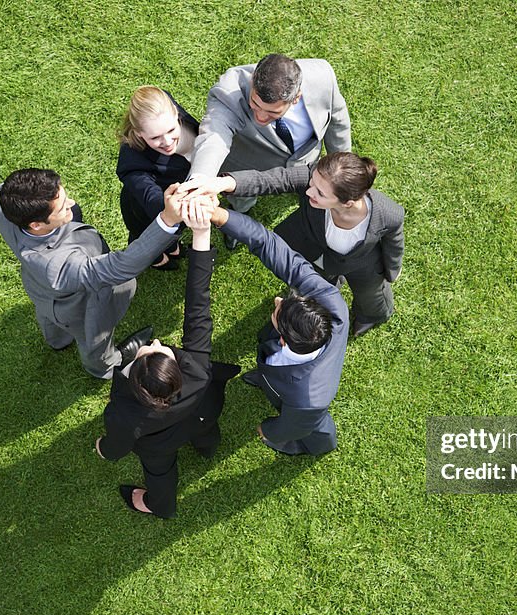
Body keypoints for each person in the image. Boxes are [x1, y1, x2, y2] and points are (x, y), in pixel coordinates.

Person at [95, 196, 240, 518]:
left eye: (150, 349)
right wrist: (201, 235)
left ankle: (159, 506)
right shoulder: (198, 370)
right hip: (204, 413)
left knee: (160, 474)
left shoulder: (125, 414)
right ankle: (207, 448)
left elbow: (116, 448)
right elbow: (197, 304)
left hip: (160, 445)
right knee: (205, 433)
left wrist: (103, 450)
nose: (157, 340)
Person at [0, 168, 186, 379]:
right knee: (93, 338)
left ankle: (58, 341)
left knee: (48, 314)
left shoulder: (1, 199)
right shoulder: (58, 265)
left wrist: (64, 216)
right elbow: (119, 266)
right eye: (62, 208)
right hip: (81, 307)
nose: (71, 203)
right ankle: (105, 368)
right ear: (36, 225)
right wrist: (167, 220)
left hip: (39, 289)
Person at [192, 152, 404, 337]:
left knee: (371, 295)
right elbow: (271, 180)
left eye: (320, 193)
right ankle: (318, 294)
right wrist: (223, 184)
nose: (309, 192)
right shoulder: (318, 177)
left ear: (348, 203)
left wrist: (393, 269)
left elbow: (394, 242)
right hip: (311, 247)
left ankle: (371, 316)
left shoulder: (388, 213)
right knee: (311, 286)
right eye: (312, 183)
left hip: (361, 263)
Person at [207, 204, 349, 455]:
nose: (277, 301)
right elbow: (270, 246)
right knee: (273, 382)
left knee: (317, 431)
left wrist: (269, 430)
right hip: (285, 378)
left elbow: (293, 426)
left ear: (283, 340)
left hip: (304, 412)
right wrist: (222, 217)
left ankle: (318, 448)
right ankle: (265, 379)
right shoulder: (331, 303)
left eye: (278, 312)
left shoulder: (307, 401)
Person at [188, 53, 351, 247]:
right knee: (242, 200)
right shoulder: (229, 91)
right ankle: (236, 220)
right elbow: (213, 135)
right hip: (251, 166)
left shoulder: (323, 77)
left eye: (273, 112)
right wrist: (200, 179)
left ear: (296, 98)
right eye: (255, 104)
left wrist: (340, 169)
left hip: (306, 161)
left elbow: (337, 120)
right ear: (252, 80)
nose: (260, 117)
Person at [116, 86, 200, 270]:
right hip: (146, 211)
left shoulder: (163, 105)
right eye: (155, 138)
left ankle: (173, 248)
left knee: (173, 236)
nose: (168, 142)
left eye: (171, 130)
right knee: (146, 236)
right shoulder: (132, 162)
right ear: (139, 134)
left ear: (176, 113)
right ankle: (155, 259)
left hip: (178, 197)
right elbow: (154, 201)